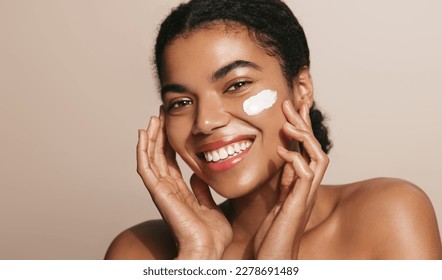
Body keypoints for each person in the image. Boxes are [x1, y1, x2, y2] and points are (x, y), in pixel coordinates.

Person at [105, 0, 442, 259]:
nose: (205, 121)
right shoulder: (139, 253)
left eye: (237, 84)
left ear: (302, 88)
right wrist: (197, 258)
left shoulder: (387, 216)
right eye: (181, 102)